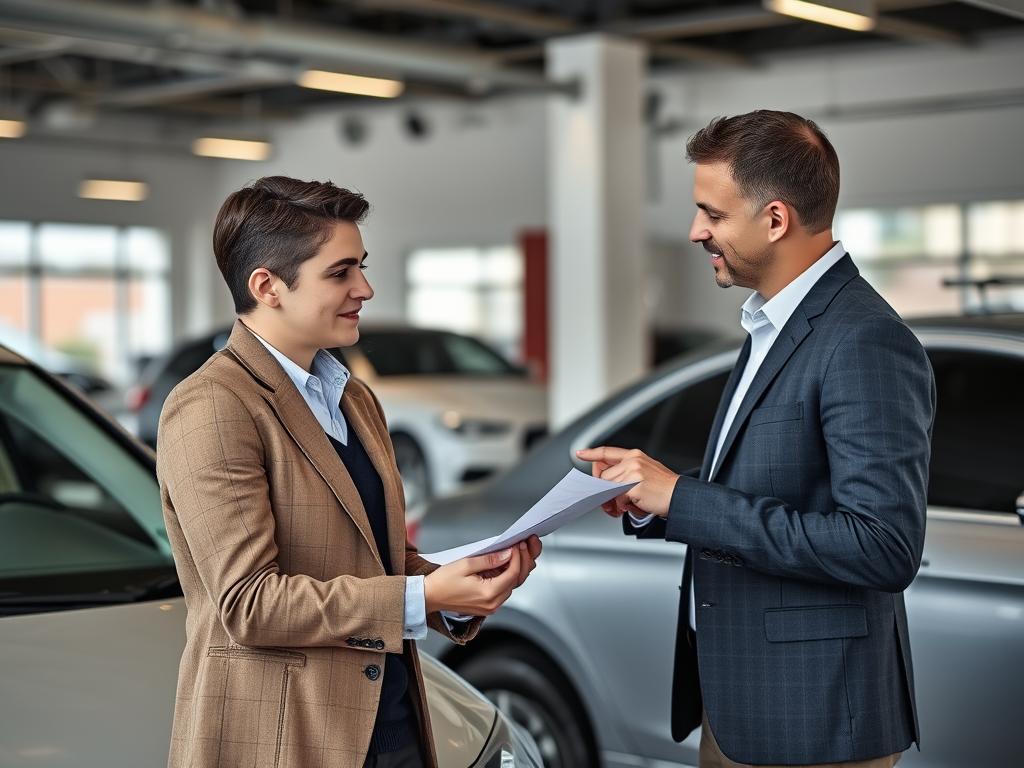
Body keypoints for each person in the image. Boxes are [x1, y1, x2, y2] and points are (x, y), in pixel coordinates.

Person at [578, 110, 935, 768]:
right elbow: (772, 482)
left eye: (711, 213)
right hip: (744, 698)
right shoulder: (775, 323)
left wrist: (684, 499)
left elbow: (882, 547)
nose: (695, 232)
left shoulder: (862, 339)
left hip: (814, 719)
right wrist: (654, 494)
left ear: (774, 220)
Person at [156, 176, 541, 768]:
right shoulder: (213, 406)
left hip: (393, 725)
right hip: (285, 737)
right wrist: (420, 596)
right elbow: (250, 604)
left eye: (360, 266)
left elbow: (373, 560)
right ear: (267, 286)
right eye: (340, 273)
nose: (365, 287)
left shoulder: (353, 398)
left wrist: (459, 592)